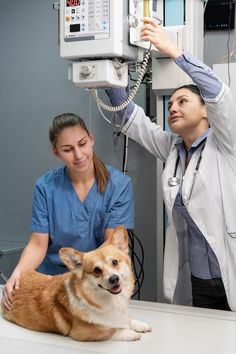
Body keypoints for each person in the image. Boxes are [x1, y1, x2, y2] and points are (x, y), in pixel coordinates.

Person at [106, 17, 236, 311]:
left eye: (183, 101)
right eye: (171, 104)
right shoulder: (173, 149)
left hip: (232, 273)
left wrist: (173, 50)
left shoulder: (227, 142)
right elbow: (133, 121)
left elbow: (218, 93)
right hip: (198, 281)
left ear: (206, 111)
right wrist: (107, 69)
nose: (173, 107)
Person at [2, 113, 134, 310]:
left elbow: (112, 245)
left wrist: (82, 273)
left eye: (82, 144)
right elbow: (38, 244)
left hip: (96, 281)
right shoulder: (46, 187)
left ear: (91, 139)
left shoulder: (119, 185)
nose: (79, 155)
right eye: (68, 150)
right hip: (50, 280)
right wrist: (18, 273)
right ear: (57, 153)